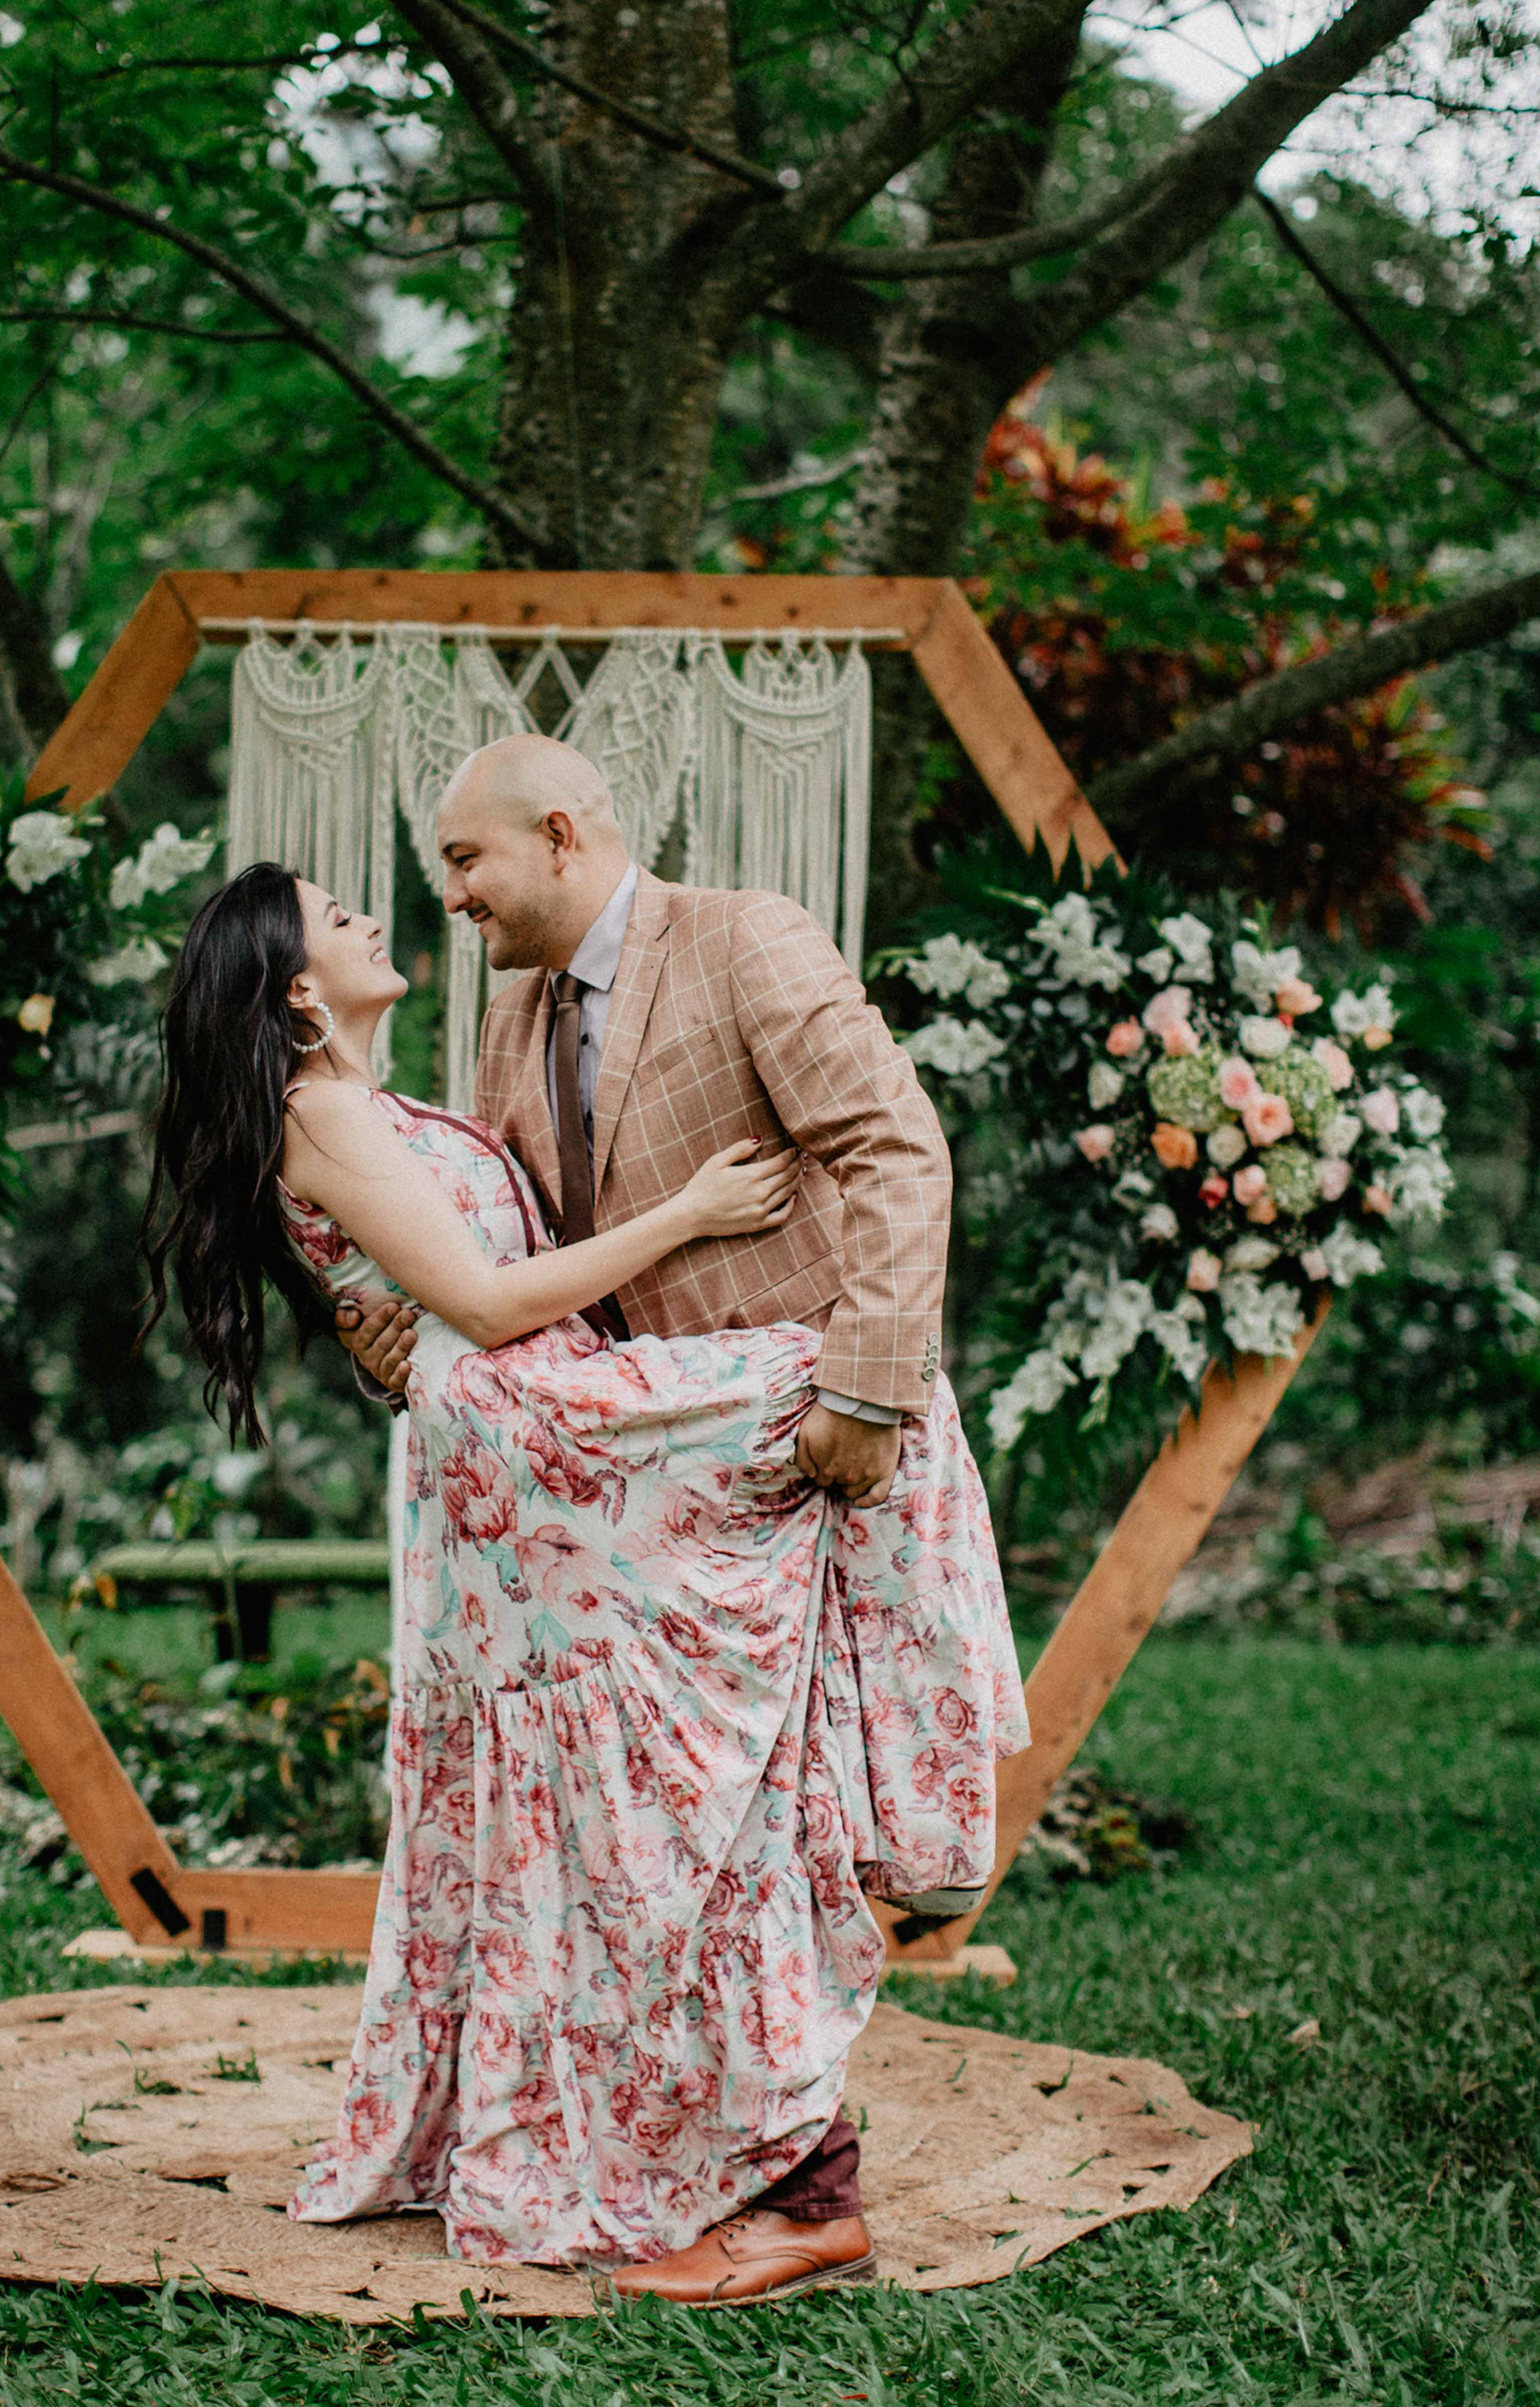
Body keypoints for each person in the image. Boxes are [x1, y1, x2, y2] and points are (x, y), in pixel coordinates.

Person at [143, 844, 1024, 2308]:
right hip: (534, 1445)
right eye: (338, 917)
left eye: (458, 861)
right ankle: (792, 2103)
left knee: (661, 1774)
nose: (390, 912)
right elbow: (485, 1304)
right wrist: (693, 1216)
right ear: (296, 991)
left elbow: (433, 1295)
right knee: (842, 1413)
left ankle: (737, 2111)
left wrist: (401, 1335)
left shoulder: (378, 1100)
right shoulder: (319, 1110)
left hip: (541, 1450)